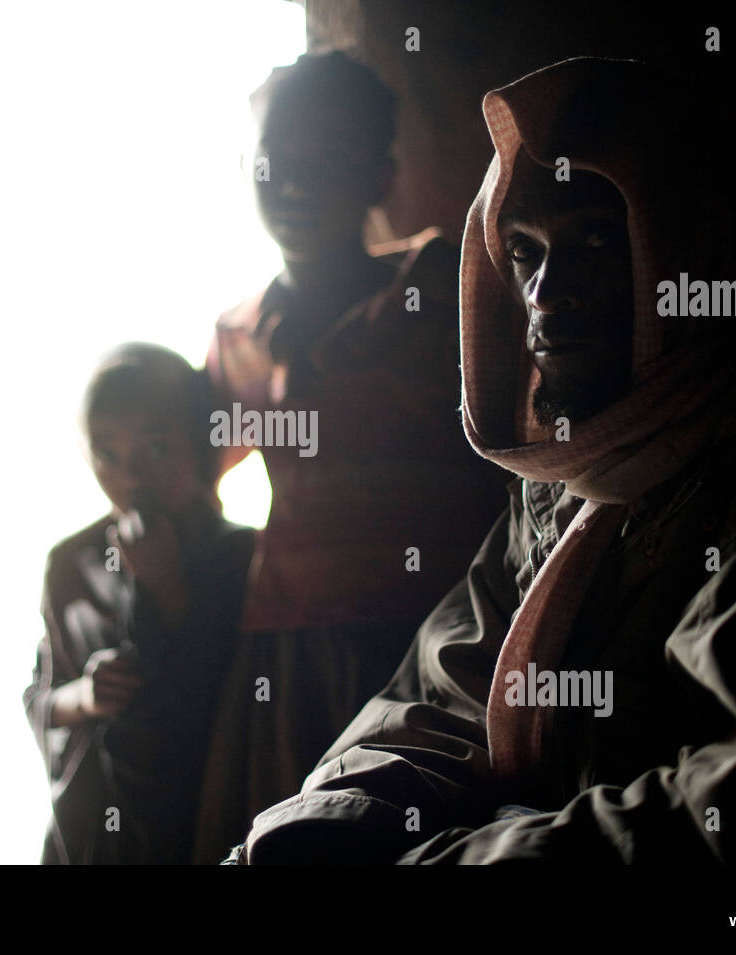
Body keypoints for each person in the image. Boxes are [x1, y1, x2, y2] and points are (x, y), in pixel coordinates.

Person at [230, 56, 736, 864]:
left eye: (598, 240)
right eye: (524, 251)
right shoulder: (557, 485)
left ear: (687, 251)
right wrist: (316, 832)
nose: (545, 293)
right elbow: (445, 693)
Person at [194, 50, 510, 863]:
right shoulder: (238, 337)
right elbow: (192, 479)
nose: (294, 183)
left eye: (328, 160)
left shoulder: (441, 288)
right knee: (288, 837)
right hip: (287, 650)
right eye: (276, 159)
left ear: (379, 174)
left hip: (434, 640)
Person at [23, 343, 255, 864]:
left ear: (199, 442)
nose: (129, 477)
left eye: (154, 449)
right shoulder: (71, 563)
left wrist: (167, 591)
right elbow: (40, 701)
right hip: (87, 833)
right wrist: (87, 696)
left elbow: (236, 701)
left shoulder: (239, 554)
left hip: (204, 826)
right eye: (106, 454)